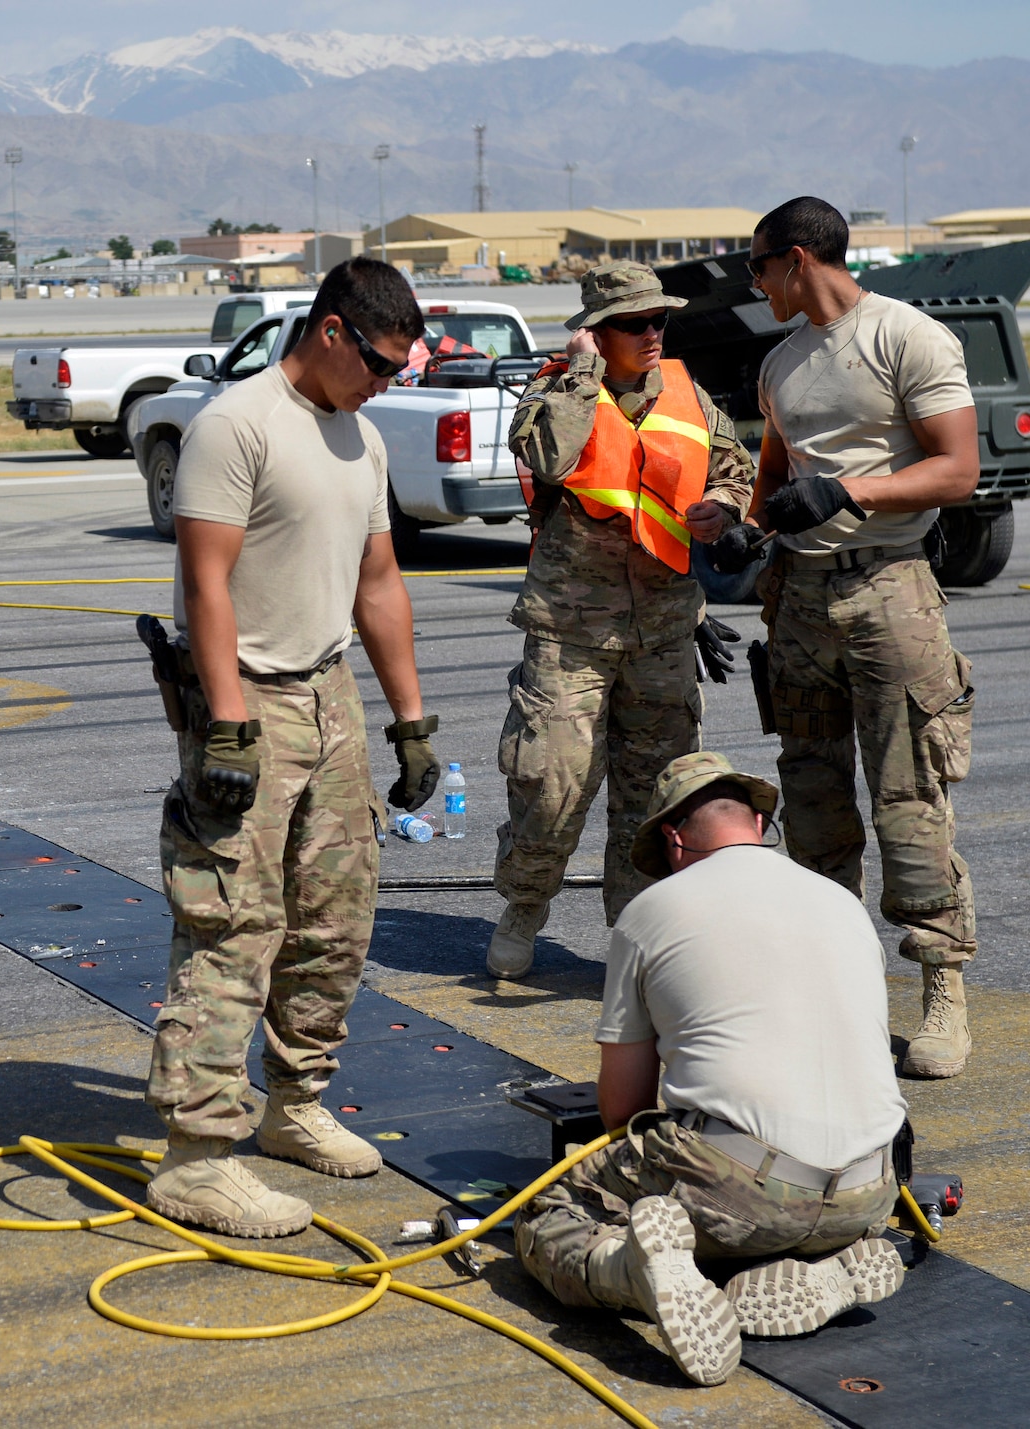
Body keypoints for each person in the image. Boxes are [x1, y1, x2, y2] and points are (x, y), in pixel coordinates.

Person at [142, 258, 440, 1238]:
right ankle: (194, 1157)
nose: (388, 384)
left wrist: (409, 722)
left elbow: (379, 581)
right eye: (381, 364)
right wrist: (223, 720)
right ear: (329, 332)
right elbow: (206, 580)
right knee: (233, 920)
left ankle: (293, 1104)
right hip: (249, 700)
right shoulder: (237, 425)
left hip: (329, 693)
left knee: (335, 917)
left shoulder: (357, 436)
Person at [514, 752, 908, 1387]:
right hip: (871, 1190)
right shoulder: (841, 901)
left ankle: (637, 1277)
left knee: (547, 1213)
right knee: (765, 1201)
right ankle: (827, 1272)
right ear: (757, 822)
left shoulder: (649, 915)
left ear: (672, 838)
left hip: (749, 1192)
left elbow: (621, 1110)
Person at [709, 197, 981, 1078]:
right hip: (799, 601)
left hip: (890, 591)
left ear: (796, 259)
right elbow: (777, 475)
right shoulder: (781, 362)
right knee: (815, 802)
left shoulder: (907, 337)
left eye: (758, 267)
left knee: (908, 798)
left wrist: (851, 492)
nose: (754, 283)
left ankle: (941, 984)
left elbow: (957, 468)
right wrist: (752, 526)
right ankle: (838, 984)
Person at [491, 262, 755, 978]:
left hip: (663, 628)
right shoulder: (556, 389)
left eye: (658, 321)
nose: (651, 333)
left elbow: (735, 463)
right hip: (571, 631)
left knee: (656, 793)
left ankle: (637, 933)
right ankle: (524, 904)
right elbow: (549, 457)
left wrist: (725, 507)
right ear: (597, 333)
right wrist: (580, 374)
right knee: (551, 786)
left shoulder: (686, 392)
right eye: (634, 323)